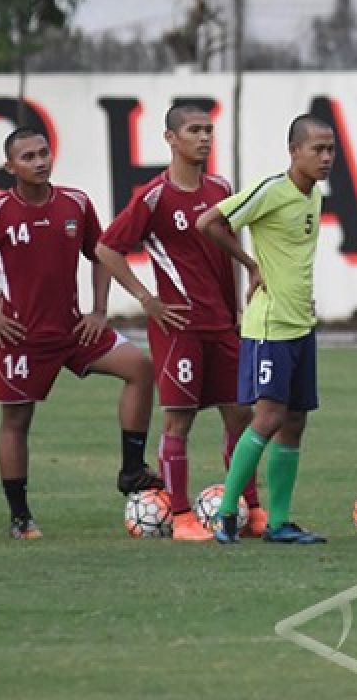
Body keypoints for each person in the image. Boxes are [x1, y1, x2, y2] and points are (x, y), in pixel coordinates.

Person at [0, 128, 160, 540]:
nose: (39, 162)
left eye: (43, 153)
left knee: (141, 367)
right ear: (10, 166)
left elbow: (100, 252)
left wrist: (98, 309)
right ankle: (20, 518)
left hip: (74, 329)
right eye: (28, 157)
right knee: (16, 421)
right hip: (20, 335)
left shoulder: (75, 204)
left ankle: (132, 469)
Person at [96, 104, 266, 542]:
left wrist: (236, 308)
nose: (204, 138)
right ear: (171, 138)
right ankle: (183, 515)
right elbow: (107, 248)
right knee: (180, 421)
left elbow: (226, 246)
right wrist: (146, 299)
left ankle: (251, 507)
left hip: (222, 325)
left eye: (209, 130)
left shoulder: (220, 187)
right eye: (194, 130)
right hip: (179, 327)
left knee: (240, 416)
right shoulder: (154, 196)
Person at [196, 114, 333, 544]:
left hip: (300, 325)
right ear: (294, 152)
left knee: (294, 422)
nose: (326, 157)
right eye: (318, 149)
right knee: (269, 416)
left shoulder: (314, 195)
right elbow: (209, 222)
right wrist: (250, 264)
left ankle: (279, 522)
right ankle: (224, 513)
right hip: (270, 326)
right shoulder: (272, 190)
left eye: (330, 149)